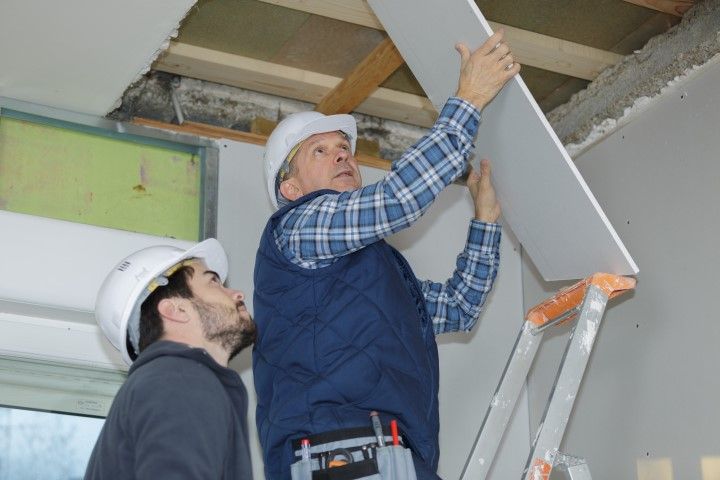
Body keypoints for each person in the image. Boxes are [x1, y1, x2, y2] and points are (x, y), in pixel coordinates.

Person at [253, 30, 520, 480]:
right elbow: (397, 201)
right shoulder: (296, 228)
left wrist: (486, 221)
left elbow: (458, 307)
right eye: (320, 151)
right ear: (290, 189)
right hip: (341, 458)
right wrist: (468, 99)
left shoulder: (377, 268)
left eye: (344, 149)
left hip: (392, 458)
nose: (342, 157)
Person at [85, 238, 256, 479]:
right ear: (176, 311)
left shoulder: (166, 380)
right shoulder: (180, 379)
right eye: (214, 282)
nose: (237, 294)